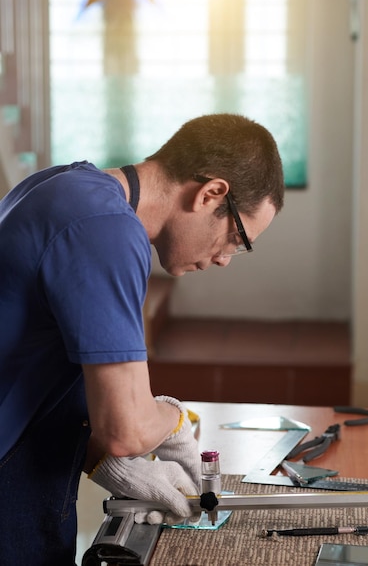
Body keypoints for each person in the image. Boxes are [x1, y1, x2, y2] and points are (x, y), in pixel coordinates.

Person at [0, 113, 284, 565]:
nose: (226, 259)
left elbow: (29, 363)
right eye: (237, 237)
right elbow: (125, 430)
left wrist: (101, 459)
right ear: (211, 194)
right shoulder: (106, 231)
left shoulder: (62, 185)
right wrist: (172, 420)